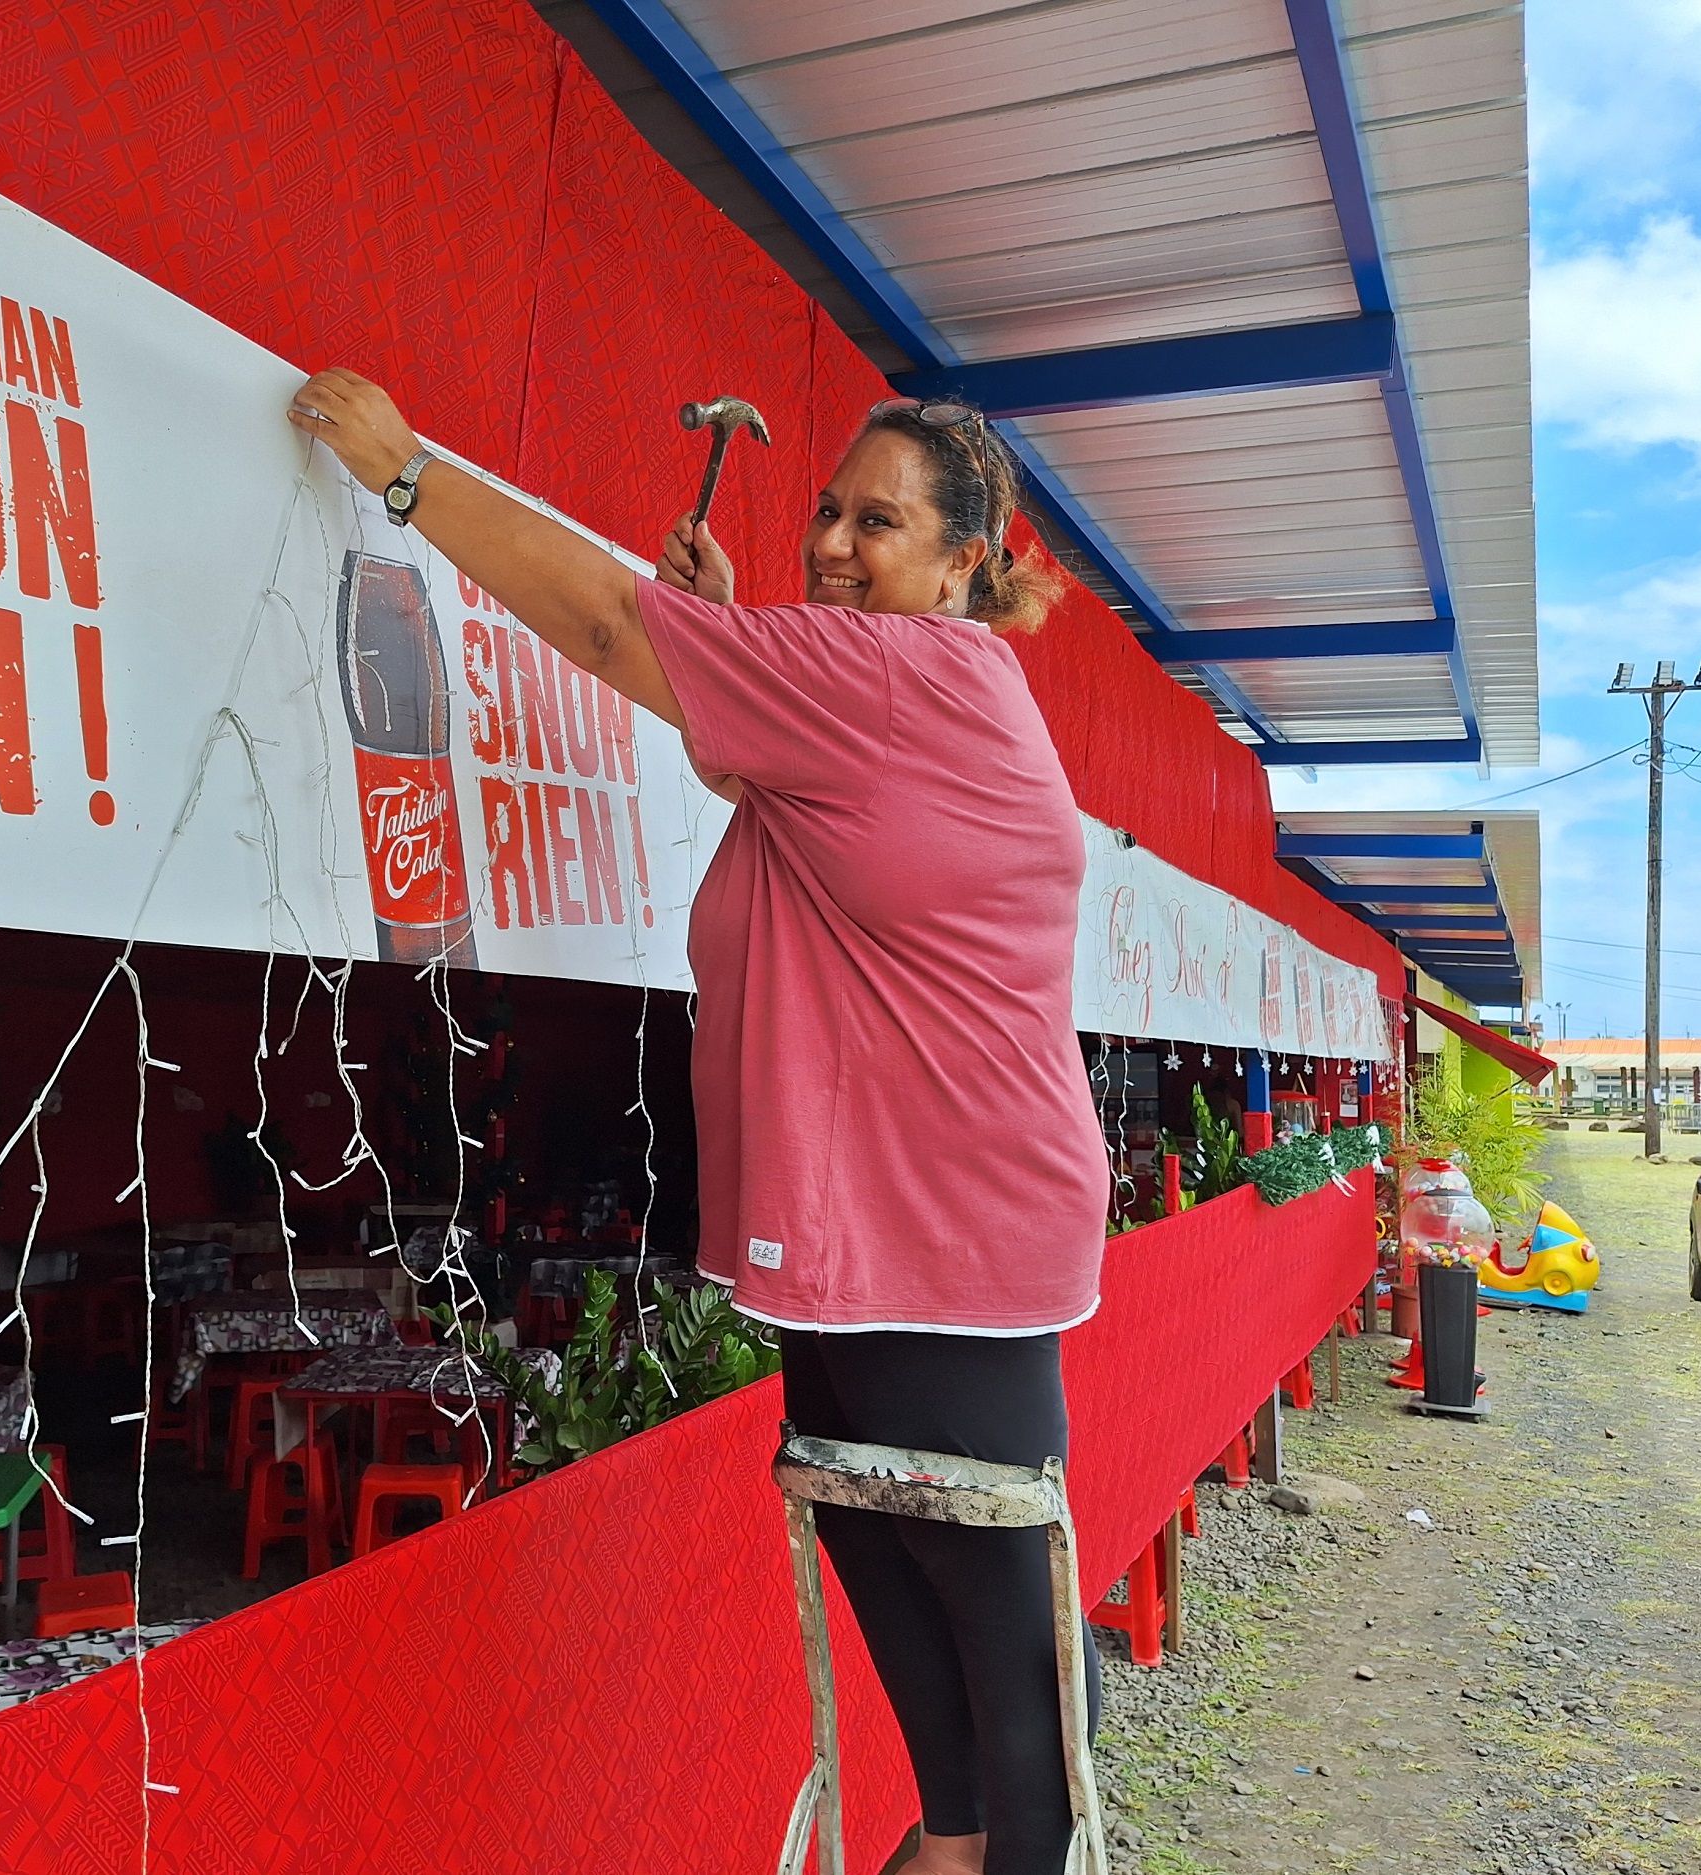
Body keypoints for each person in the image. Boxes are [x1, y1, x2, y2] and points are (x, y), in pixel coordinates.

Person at [287, 370, 1109, 1875]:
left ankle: (1008, 1848)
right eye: (826, 511)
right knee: (887, 1562)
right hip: (871, 1230)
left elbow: (608, 626)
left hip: (955, 1234)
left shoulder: (903, 676)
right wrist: (737, 634)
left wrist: (407, 474)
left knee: (1014, 1657)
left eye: (882, 522)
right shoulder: (868, 694)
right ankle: (956, 1845)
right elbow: (737, 749)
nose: (838, 543)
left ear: (961, 568)